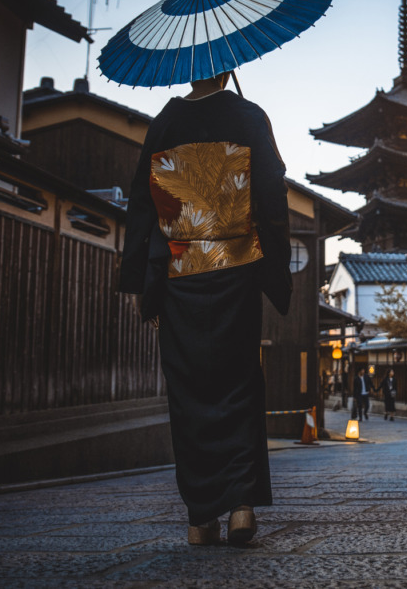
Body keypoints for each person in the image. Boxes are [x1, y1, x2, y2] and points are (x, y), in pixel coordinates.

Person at [118, 71, 291, 547]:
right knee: (238, 383)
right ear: (225, 66)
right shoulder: (248, 116)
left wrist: (139, 282)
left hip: (180, 272)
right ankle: (241, 507)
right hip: (236, 268)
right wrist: (275, 268)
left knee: (189, 391)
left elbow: (142, 203)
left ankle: (200, 517)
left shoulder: (165, 123)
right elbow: (272, 195)